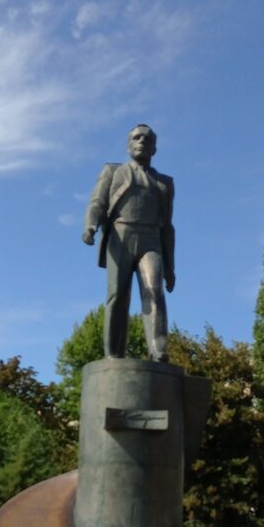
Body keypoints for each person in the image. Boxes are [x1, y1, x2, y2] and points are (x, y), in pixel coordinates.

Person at [83, 124, 175, 361]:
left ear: (154, 148)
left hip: (150, 240)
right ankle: (113, 354)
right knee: (118, 295)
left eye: (147, 139)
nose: (141, 141)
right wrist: (90, 226)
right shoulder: (113, 171)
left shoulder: (164, 183)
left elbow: (168, 226)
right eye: (136, 137)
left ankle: (158, 351)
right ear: (128, 145)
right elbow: (97, 203)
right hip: (120, 236)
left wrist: (171, 268)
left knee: (153, 289)